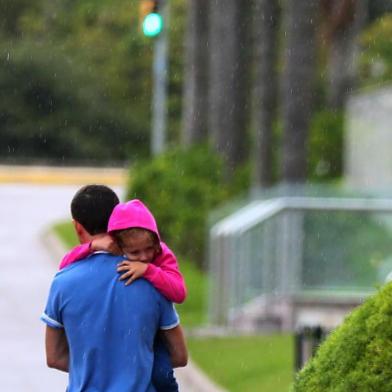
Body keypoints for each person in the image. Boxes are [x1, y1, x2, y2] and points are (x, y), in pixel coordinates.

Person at [41, 185, 187, 391]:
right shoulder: (152, 279)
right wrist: (132, 368)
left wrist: (95, 368)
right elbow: (179, 356)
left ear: (77, 227)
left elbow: (54, 358)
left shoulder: (63, 282)